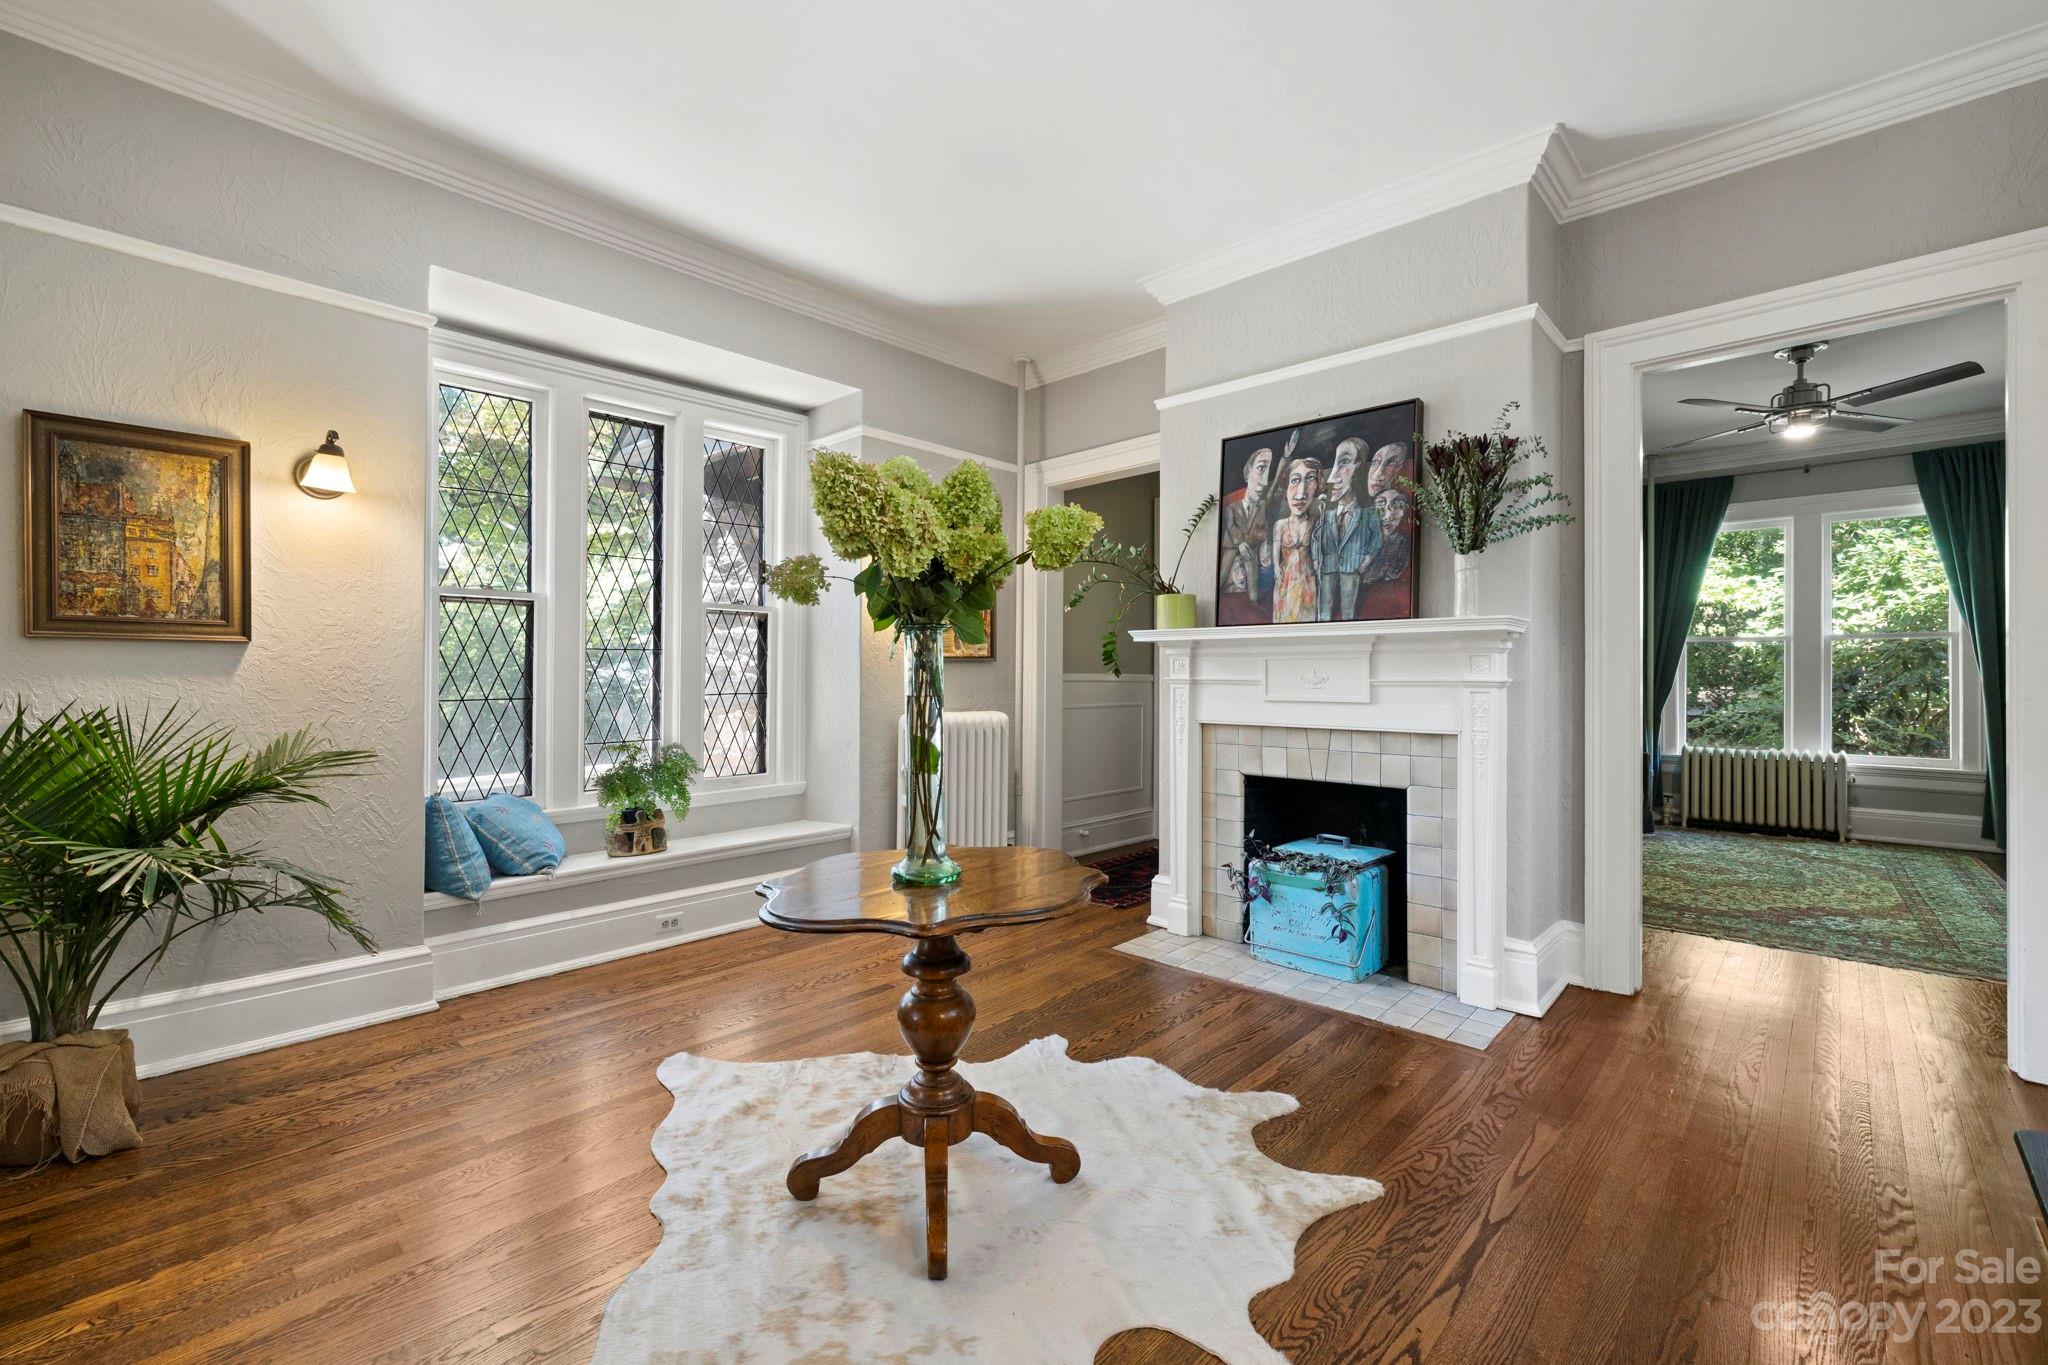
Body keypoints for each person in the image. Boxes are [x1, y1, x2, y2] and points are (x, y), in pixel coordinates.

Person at [1310, 437, 1380, 621]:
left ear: (1358, 467)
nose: (1332, 477)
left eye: (1343, 462)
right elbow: (1316, 537)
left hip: (1352, 565)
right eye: (1334, 465)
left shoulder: (1368, 512)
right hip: (1328, 565)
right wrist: (1316, 558)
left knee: (1349, 611)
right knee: (1323, 609)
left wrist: (1369, 556)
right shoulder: (1327, 512)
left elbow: (1377, 538)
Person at [1219, 445, 1274, 609]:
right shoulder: (1233, 507)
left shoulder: (1261, 506)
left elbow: (1275, 485)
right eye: (1260, 469)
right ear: (1248, 472)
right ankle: (1217, 593)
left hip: (1249, 546)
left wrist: (1285, 458)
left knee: (1252, 571)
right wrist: (1239, 543)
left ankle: (1254, 601)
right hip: (1233, 545)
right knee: (1223, 572)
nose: (1263, 482)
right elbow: (1230, 526)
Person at [1270, 457, 1322, 623]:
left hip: (1307, 577)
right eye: (1295, 481)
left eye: (1310, 480)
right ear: (1285, 489)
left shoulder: (1317, 521)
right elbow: (1276, 547)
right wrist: (1276, 567)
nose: (1301, 494)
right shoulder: (1280, 525)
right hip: (1286, 577)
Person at [1357, 488, 1416, 620]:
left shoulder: (1402, 543)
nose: (1389, 515)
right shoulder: (1360, 543)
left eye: (1397, 506)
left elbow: (1392, 576)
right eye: (1381, 504)